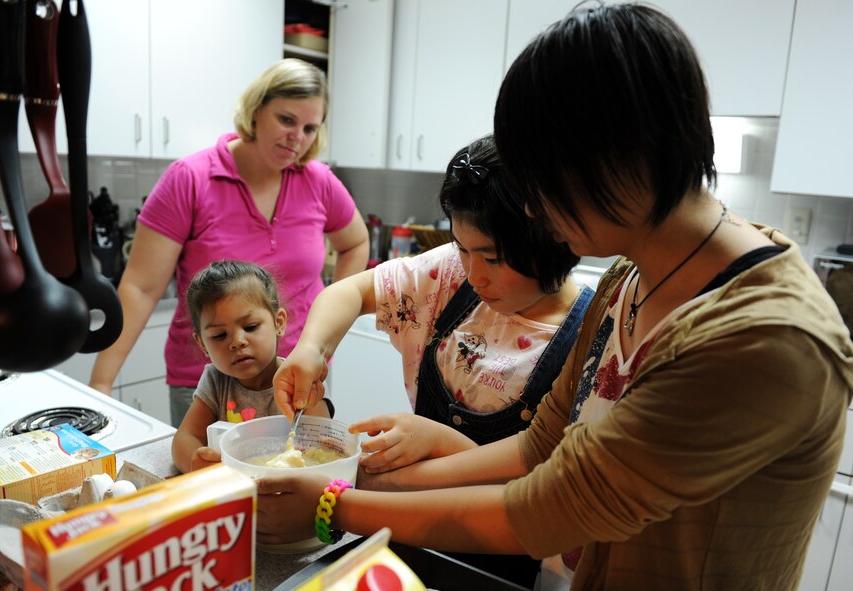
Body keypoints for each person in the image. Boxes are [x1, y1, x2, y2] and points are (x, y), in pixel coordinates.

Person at [254, 4, 853, 591]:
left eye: (541, 180)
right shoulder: (629, 277)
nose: (534, 210)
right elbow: (545, 443)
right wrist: (368, 479)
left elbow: (551, 508)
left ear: (617, 155)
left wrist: (335, 505)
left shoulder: (762, 338)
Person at [273, 134, 591, 587]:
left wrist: (440, 441)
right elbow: (348, 292)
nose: (475, 273)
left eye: (494, 257)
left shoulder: (587, 335)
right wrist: (311, 350)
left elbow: (543, 494)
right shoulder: (449, 276)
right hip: (411, 534)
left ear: (556, 242)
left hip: (512, 561)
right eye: (463, 247)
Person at [89, 58, 369, 427]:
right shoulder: (189, 179)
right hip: (208, 380)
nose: (297, 138)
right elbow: (140, 287)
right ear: (255, 111)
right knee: (206, 478)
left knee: (299, 478)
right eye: (286, 120)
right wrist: (101, 382)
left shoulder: (318, 181)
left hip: (299, 374)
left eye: (310, 128)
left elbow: (355, 243)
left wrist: (322, 335)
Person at [171, 260, 331, 474]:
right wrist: (200, 463)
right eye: (219, 335)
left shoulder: (300, 379)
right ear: (202, 344)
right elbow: (184, 438)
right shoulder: (215, 381)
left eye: (250, 327)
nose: (237, 341)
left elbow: (322, 449)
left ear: (279, 322)